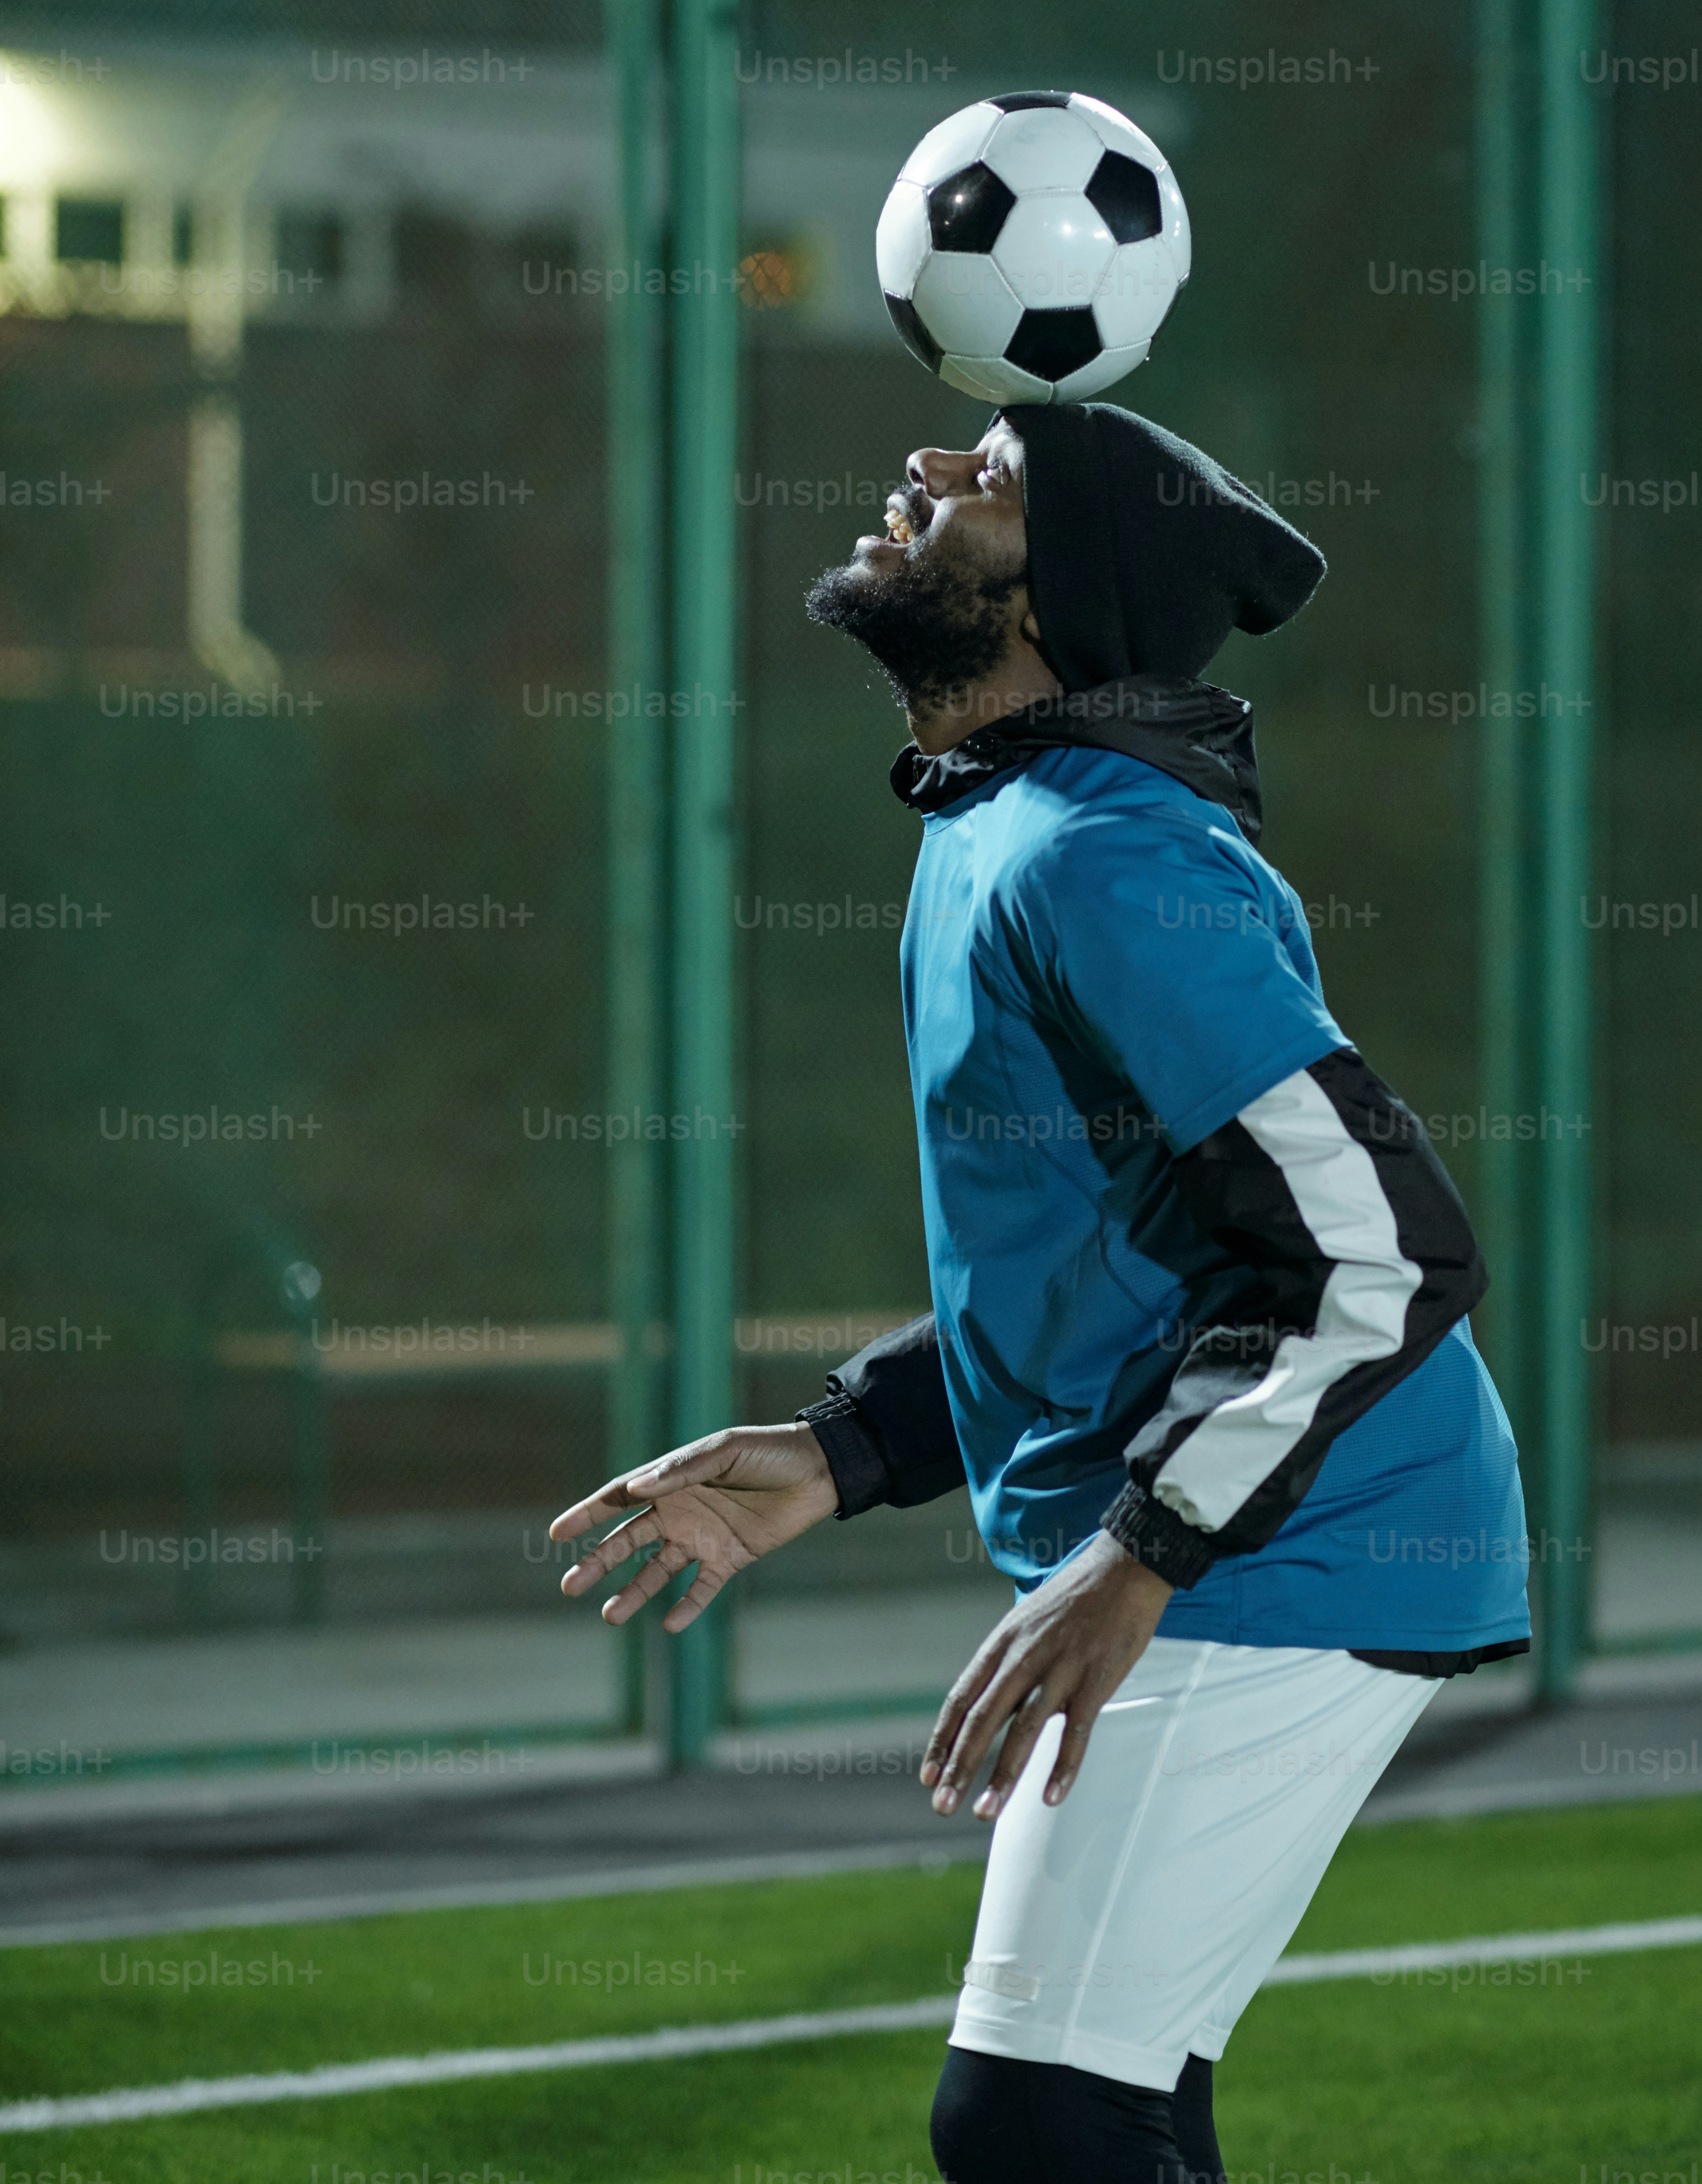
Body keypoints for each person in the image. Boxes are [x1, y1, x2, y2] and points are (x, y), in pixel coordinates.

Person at [552, 399, 1529, 2184]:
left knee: (1036, 2117)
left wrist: (1146, 1546)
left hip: (1294, 1549)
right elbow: (1116, 1258)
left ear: (1058, 599)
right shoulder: (996, 826)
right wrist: (845, 1447)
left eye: (989, 480)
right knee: (1114, 2106)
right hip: (1256, 1531)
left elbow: (1387, 1249)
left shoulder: (1105, 853)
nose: (923, 469)